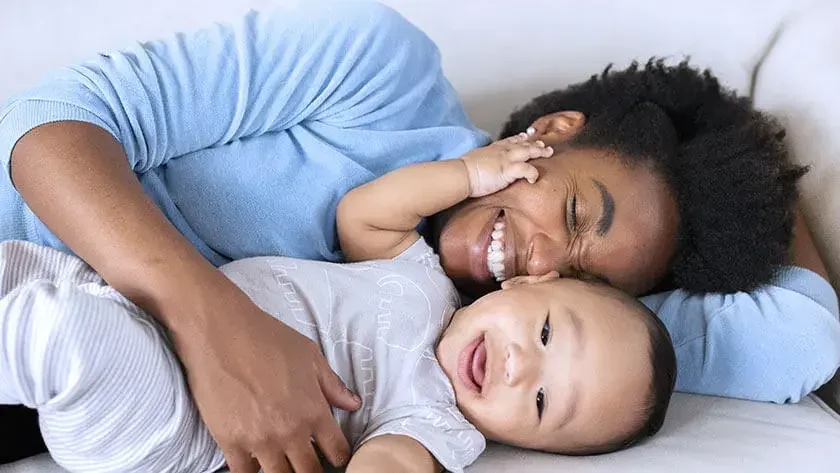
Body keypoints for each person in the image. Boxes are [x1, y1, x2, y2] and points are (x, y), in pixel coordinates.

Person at [0, 1, 838, 471]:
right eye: (577, 212)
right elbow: (48, 128)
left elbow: (800, 339)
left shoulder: (547, 345)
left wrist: (747, 178)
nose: (541, 255)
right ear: (551, 130)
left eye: (592, 277)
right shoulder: (377, 71)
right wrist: (212, 321)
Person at [0, 135, 677, 473]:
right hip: (143, 304)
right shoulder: (423, 280)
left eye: (538, 404)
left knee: (61, 335)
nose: (520, 368)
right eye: (549, 332)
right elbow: (366, 215)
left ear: (525, 442)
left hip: (175, 422)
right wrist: (471, 173)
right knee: (22, 276)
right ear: (525, 286)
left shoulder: (439, 423)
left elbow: (390, 464)